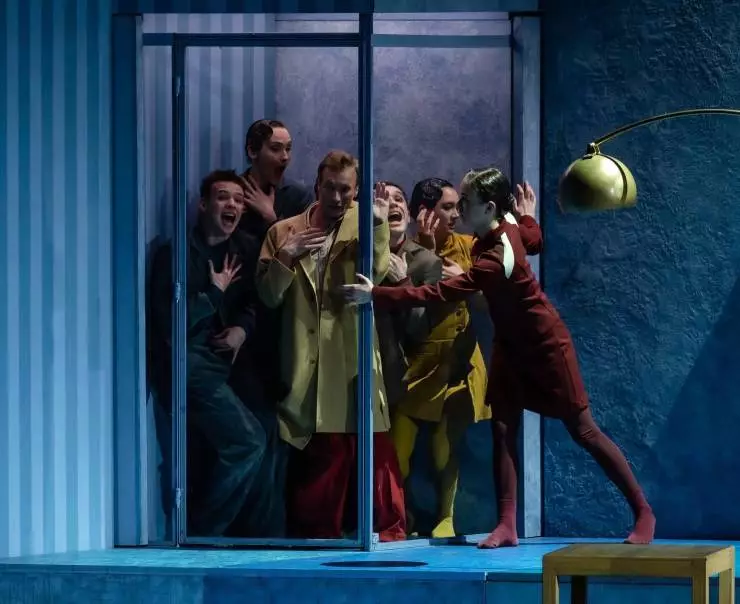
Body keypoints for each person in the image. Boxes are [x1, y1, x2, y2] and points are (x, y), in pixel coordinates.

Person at [341, 167, 656, 548]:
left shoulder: (495, 256)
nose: (459, 210)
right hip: (509, 346)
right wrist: (527, 216)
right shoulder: (504, 227)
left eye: (466, 202)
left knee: (584, 430)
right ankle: (507, 524)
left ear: (488, 207)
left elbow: (440, 293)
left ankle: (643, 511)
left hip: (544, 345)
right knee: (503, 428)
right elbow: (535, 238)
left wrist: (376, 294)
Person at [255, 150, 406, 541]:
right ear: (317, 186)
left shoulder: (364, 222)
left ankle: (386, 533)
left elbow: (377, 277)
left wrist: (378, 227)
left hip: (350, 356)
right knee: (320, 459)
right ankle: (317, 538)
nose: (337, 198)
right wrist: (287, 256)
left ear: (355, 191)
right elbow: (268, 297)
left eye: (345, 190)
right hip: (305, 360)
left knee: (371, 450)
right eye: (330, 188)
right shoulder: (284, 232)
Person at [149, 169, 270, 537]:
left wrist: (242, 330)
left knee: (271, 425)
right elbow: (170, 324)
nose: (232, 204)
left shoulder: (244, 248)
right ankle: (205, 532)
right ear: (203, 205)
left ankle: (255, 533)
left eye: (238, 199)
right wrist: (213, 294)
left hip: (228, 361)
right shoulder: (176, 253)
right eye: (222, 197)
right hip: (190, 366)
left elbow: (254, 302)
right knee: (248, 442)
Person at [387, 177, 489, 538]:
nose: (456, 214)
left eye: (458, 206)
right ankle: (400, 516)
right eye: (447, 208)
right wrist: (427, 258)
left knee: (447, 444)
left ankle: (447, 516)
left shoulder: (469, 247)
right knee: (399, 449)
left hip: (458, 362)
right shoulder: (408, 251)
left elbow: (491, 301)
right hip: (419, 363)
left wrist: (468, 280)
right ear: (424, 213)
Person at [238, 118, 314, 240]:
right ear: (252, 151)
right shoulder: (231, 193)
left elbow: (304, 246)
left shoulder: (299, 197)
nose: (285, 157)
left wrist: (271, 218)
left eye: (288, 148)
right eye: (275, 148)